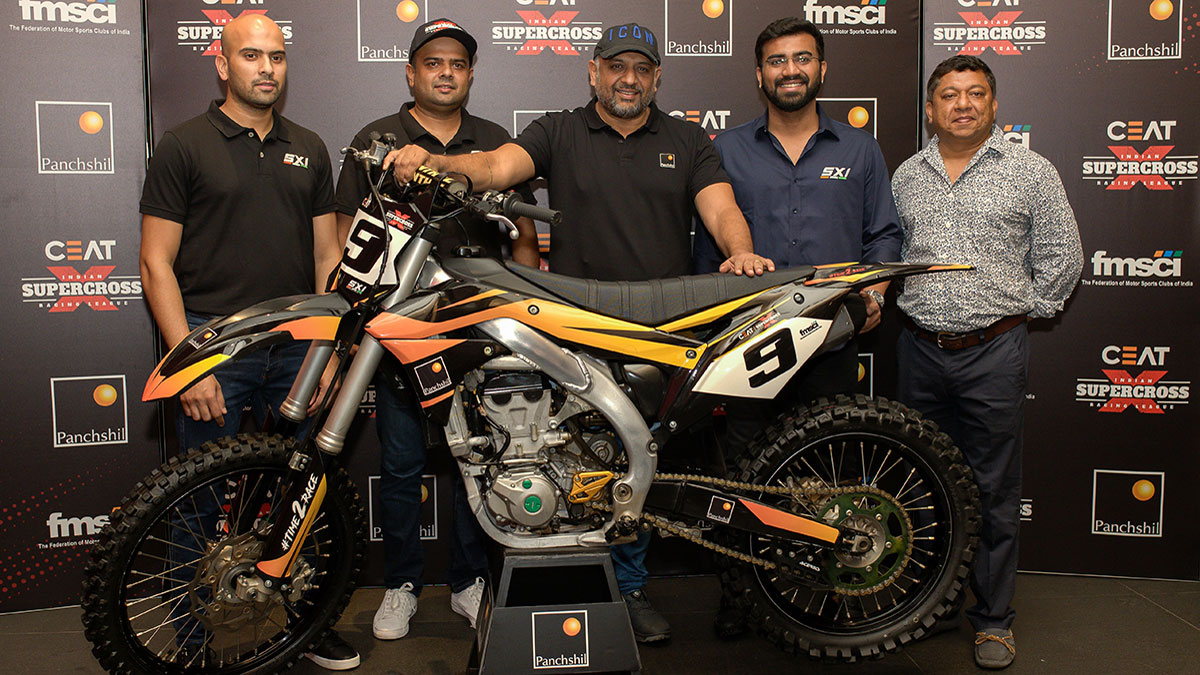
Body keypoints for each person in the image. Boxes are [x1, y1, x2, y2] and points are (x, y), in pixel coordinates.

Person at [385, 21, 775, 643]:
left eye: (641, 69)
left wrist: (742, 252)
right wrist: (435, 162)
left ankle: (631, 589)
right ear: (593, 72)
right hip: (570, 328)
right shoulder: (558, 130)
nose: (628, 79)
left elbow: (721, 206)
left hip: (657, 331)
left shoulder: (687, 138)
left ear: (657, 78)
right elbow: (493, 166)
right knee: (569, 461)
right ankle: (569, 587)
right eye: (616, 66)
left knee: (637, 459)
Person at [138, 14, 357, 671]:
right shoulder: (182, 144)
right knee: (197, 500)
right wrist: (190, 362)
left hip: (297, 348)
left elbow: (327, 257)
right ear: (222, 64)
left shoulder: (309, 147)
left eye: (277, 57)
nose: (267, 68)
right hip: (218, 348)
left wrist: (330, 351)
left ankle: (308, 622)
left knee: (304, 498)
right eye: (252, 56)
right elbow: (155, 263)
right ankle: (191, 637)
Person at [692, 16, 902, 640]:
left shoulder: (859, 149)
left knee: (829, 470)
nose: (790, 70)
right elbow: (705, 249)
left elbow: (884, 235)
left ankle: (825, 590)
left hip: (830, 341)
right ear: (759, 74)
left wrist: (876, 291)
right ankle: (741, 593)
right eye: (777, 61)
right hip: (749, 343)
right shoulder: (725, 150)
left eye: (802, 58)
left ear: (822, 69)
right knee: (743, 473)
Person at [333, 18, 538, 644]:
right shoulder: (376, 141)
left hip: (480, 336)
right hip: (400, 334)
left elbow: (526, 240)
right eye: (432, 62)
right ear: (410, 72)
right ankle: (402, 583)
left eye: (457, 63)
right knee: (400, 466)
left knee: (479, 462)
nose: (445, 73)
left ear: (471, 73)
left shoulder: (495, 142)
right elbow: (345, 236)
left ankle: (469, 579)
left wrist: (527, 316)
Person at [891, 55, 1082, 670]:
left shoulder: (1030, 170)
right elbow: (890, 251)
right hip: (919, 350)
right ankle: (934, 603)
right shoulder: (906, 176)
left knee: (994, 488)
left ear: (994, 105)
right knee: (922, 484)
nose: (963, 104)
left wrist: (1023, 312)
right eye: (950, 95)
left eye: (976, 93)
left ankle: (993, 619)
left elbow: (1064, 255)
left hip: (994, 354)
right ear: (931, 110)